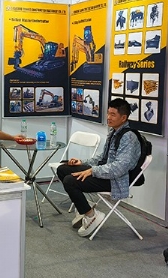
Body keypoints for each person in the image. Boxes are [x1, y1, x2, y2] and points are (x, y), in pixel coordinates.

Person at [56, 98, 141, 237]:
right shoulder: (114, 132)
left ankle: (90, 215)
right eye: (108, 113)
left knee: (69, 181)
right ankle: (83, 208)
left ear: (123, 118)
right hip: (104, 173)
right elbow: (103, 158)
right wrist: (82, 162)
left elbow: (119, 168)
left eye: (113, 114)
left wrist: (92, 171)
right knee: (63, 169)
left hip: (115, 180)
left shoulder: (129, 137)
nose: (108, 117)